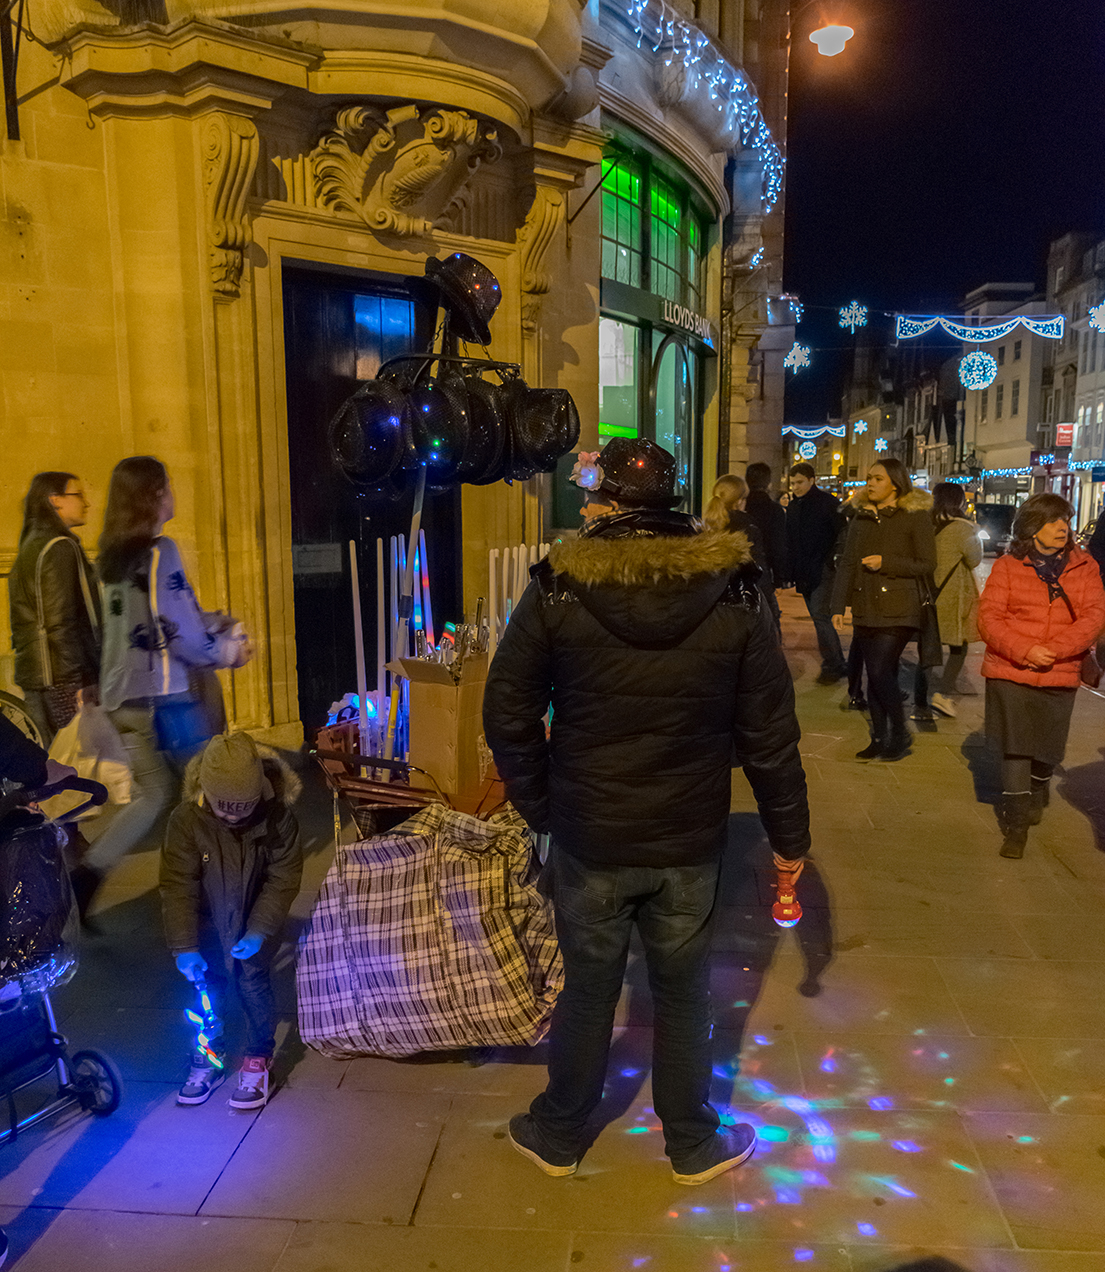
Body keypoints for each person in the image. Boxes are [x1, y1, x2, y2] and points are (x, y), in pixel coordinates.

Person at [485, 437, 810, 1185]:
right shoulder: (733, 590)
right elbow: (769, 734)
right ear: (673, 503)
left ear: (604, 504)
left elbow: (506, 711)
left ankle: (561, 1131)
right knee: (683, 986)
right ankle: (691, 1140)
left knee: (589, 984)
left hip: (590, 832)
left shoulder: (559, 585)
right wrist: (789, 839)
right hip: (687, 834)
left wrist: (542, 805)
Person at [75, 457, 248, 915]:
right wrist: (227, 652)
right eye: (167, 485)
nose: (173, 491)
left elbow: (133, 625)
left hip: (121, 700)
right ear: (153, 495)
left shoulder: (109, 558)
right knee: (213, 790)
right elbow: (177, 630)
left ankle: (88, 873)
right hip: (165, 702)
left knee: (153, 797)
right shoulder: (161, 551)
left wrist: (212, 620)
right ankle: (211, 892)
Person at [160, 731, 302, 1108]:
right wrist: (184, 947)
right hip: (205, 924)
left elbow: (283, 877)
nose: (232, 816)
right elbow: (177, 884)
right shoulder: (186, 820)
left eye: (243, 807)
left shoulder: (278, 819)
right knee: (208, 989)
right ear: (205, 791)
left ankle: (257, 1056)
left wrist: (259, 930)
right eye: (224, 807)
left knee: (253, 984)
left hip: (255, 920)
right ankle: (209, 1054)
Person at [978, 493, 1105, 858]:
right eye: (1052, 521)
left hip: (1060, 670)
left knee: (1049, 748)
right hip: (1010, 670)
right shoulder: (1007, 566)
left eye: (1065, 519)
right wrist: (1026, 651)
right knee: (1015, 747)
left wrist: (1057, 650)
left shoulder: (1086, 567)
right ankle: (1016, 827)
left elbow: (1094, 617)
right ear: (1032, 528)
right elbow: (989, 619)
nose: (1062, 528)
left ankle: (1039, 785)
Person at [831, 458, 936, 762]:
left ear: (895, 483)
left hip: (900, 607)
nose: (870, 483)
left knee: (878, 669)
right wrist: (838, 605)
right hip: (865, 605)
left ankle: (900, 731)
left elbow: (927, 564)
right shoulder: (860, 517)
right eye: (869, 478)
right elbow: (848, 562)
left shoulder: (914, 516)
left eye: (877, 478)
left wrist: (886, 563)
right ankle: (880, 737)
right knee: (876, 674)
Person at [8, 473, 101, 746]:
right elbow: (61, 621)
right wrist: (83, 680)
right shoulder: (60, 547)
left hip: (36, 674)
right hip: (63, 678)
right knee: (81, 759)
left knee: (56, 761)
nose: (87, 503)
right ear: (55, 501)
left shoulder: (30, 545)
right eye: (78, 495)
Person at [911, 482, 983, 722]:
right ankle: (942, 694)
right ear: (959, 501)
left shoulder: (926, 523)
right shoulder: (964, 529)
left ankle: (920, 703)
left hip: (927, 594)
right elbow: (974, 560)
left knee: (927, 649)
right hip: (951, 597)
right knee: (958, 646)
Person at [785, 463, 847, 684]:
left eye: (799, 482)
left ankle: (833, 663)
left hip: (821, 568)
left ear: (812, 480)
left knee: (820, 617)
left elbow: (841, 533)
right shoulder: (794, 506)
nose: (795, 487)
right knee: (818, 617)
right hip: (805, 569)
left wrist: (832, 560)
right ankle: (836, 660)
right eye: (792, 483)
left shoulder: (827, 504)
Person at [703, 474, 781, 624]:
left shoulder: (706, 527)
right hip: (743, 603)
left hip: (714, 604)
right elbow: (759, 569)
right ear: (739, 501)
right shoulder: (748, 528)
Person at [744, 462, 788, 592]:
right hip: (764, 569)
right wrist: (779, 578)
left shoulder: (742, 507)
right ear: (768, 483)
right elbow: (778, 545)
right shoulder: (774, 510)